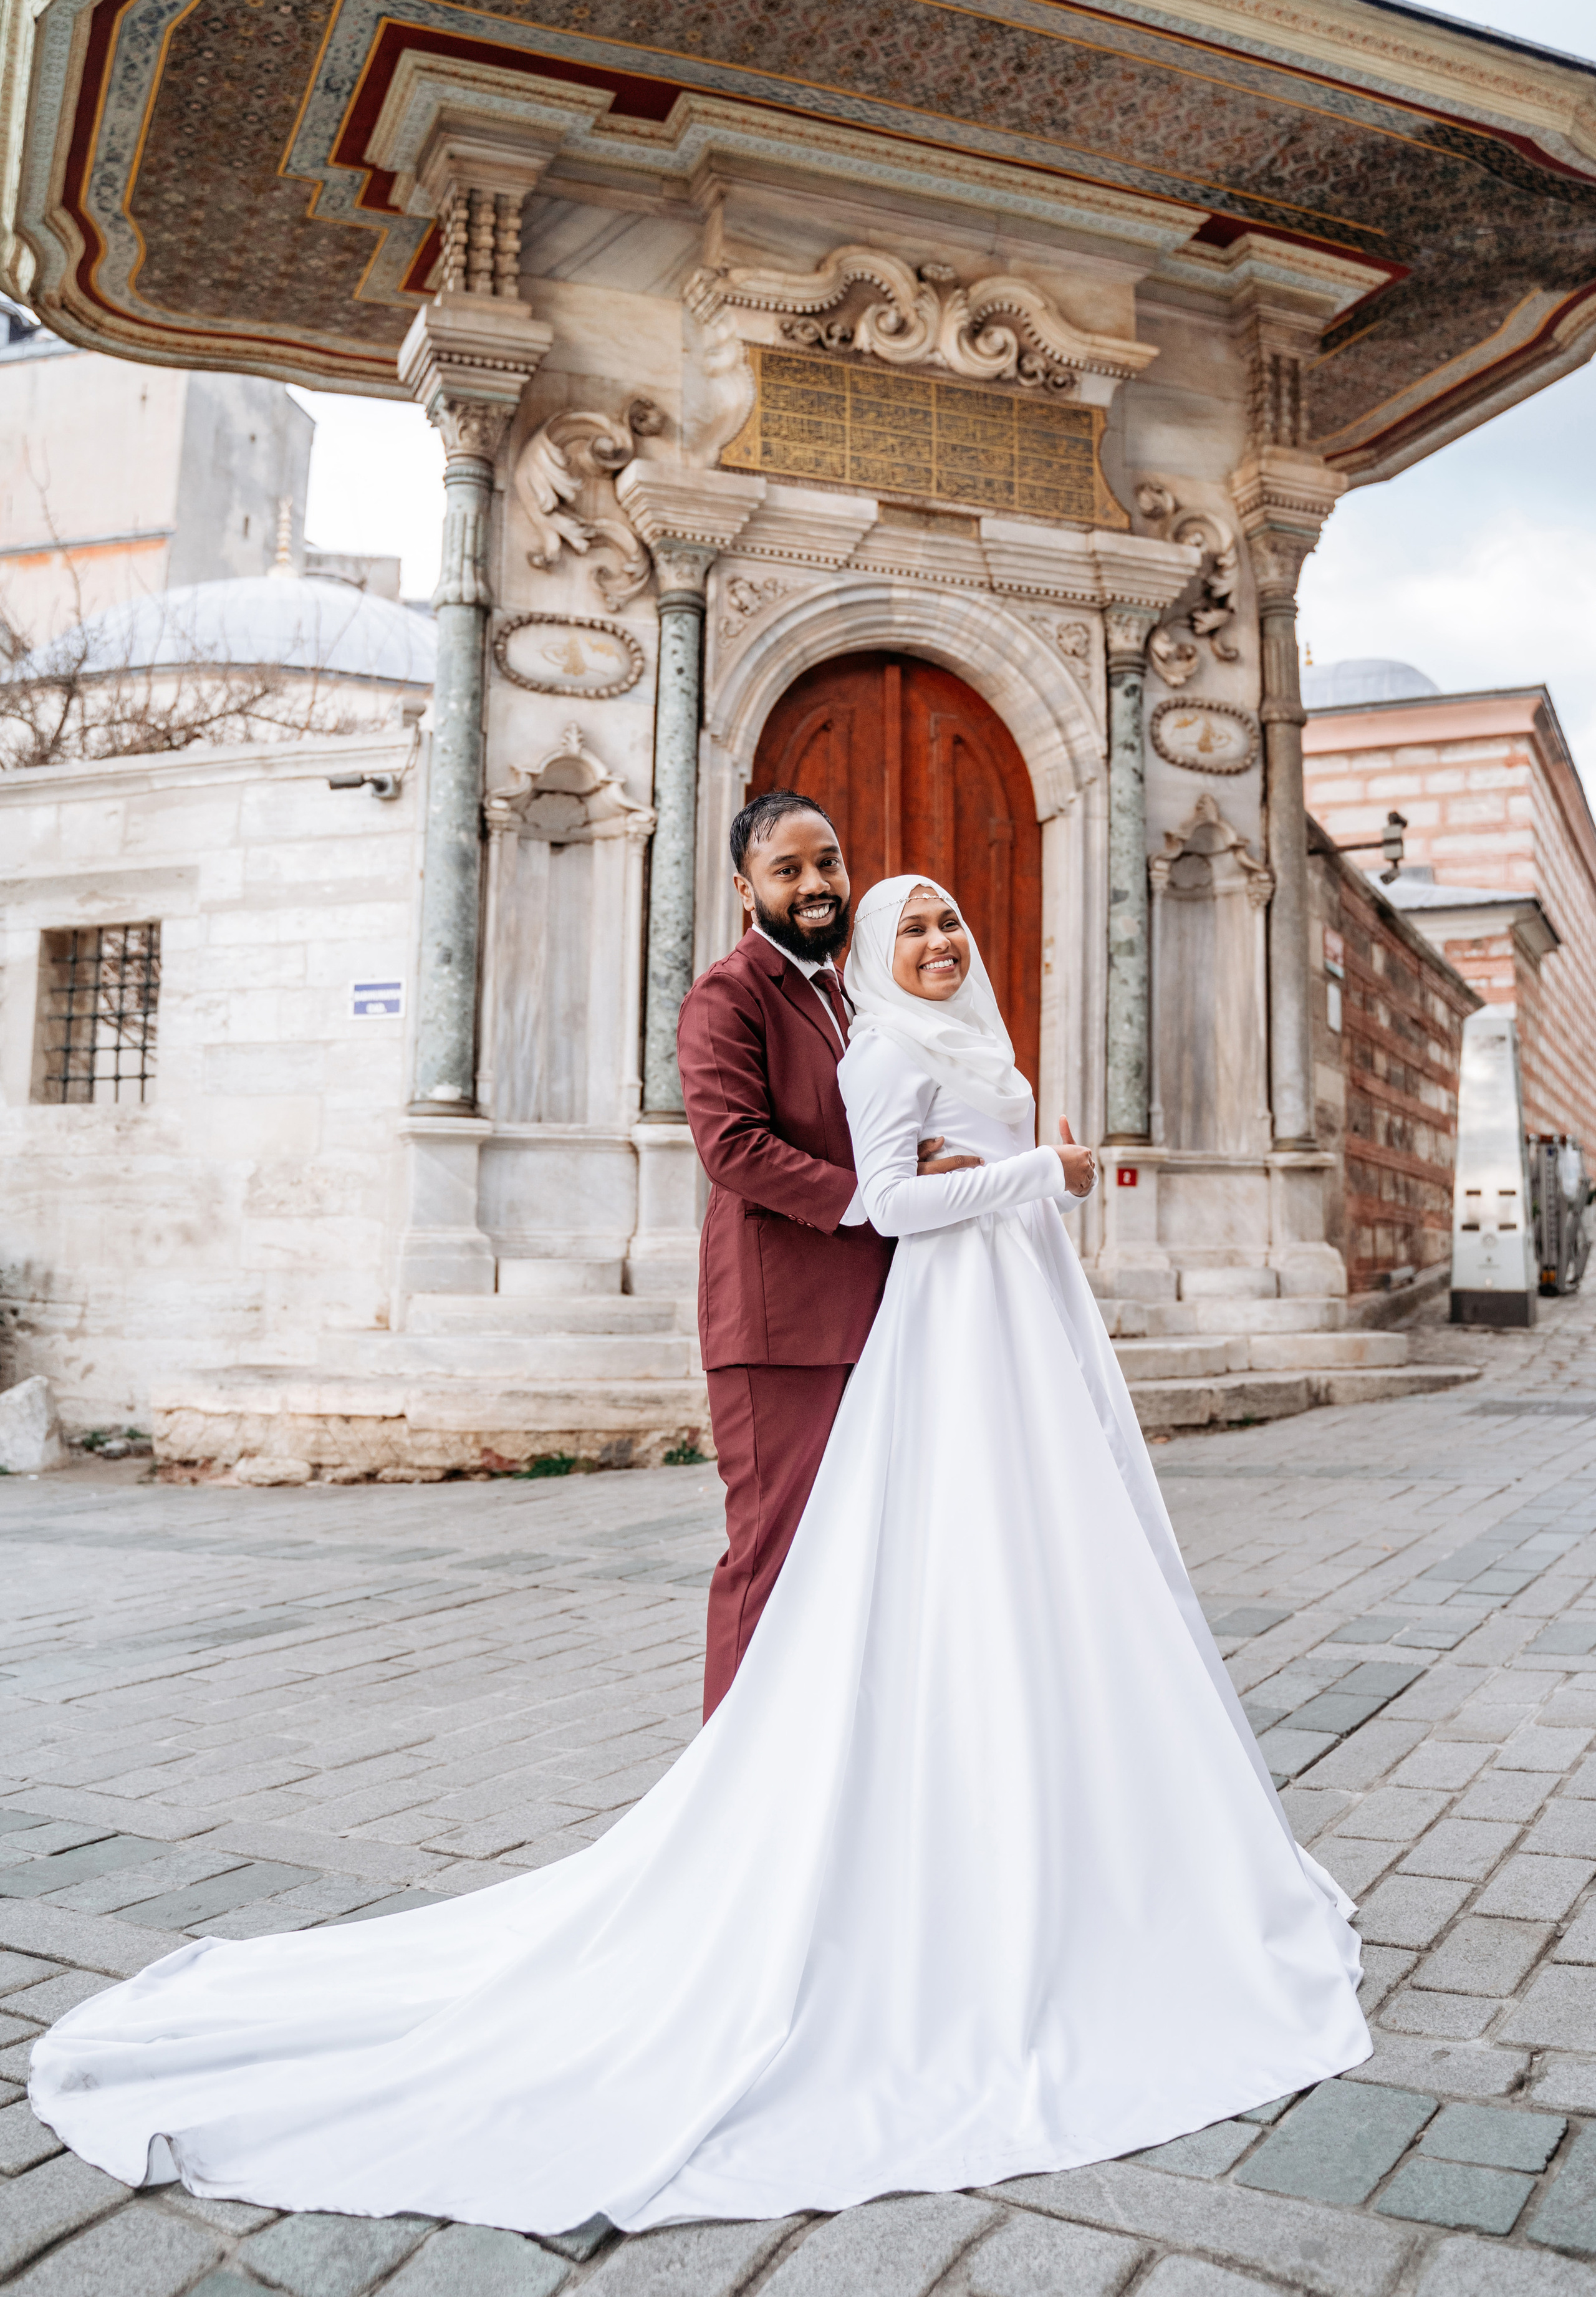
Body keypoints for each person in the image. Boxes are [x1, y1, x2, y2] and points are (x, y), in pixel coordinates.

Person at [29, 872, 1370, 2236]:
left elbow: (967, 1182)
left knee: (1042, 1572)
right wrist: (1038, 1174)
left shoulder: (927, 1022)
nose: (930, 936)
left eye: (940, 919)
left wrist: (1047, 1186)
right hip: (903, 1323)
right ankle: (773, 1792)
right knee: (827, 1563)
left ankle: (1061, 1819)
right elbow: (846, 1183)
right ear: (751, 886)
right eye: (901, 920)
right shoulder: (815, 1023)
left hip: (1010, 1321)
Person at [676, 788, 974, 1717]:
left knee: (852, 1550)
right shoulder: (728, 995)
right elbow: (733, 1147)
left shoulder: (847, 995)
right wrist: (872, 1199)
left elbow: (863, 1131)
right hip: (781, 1327)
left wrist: (913, 1163)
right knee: (772, 1553)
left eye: (829, 863)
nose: (816, 884)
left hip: (870, 1313)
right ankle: (728, 1770)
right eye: (789, 869)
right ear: (746, 888)